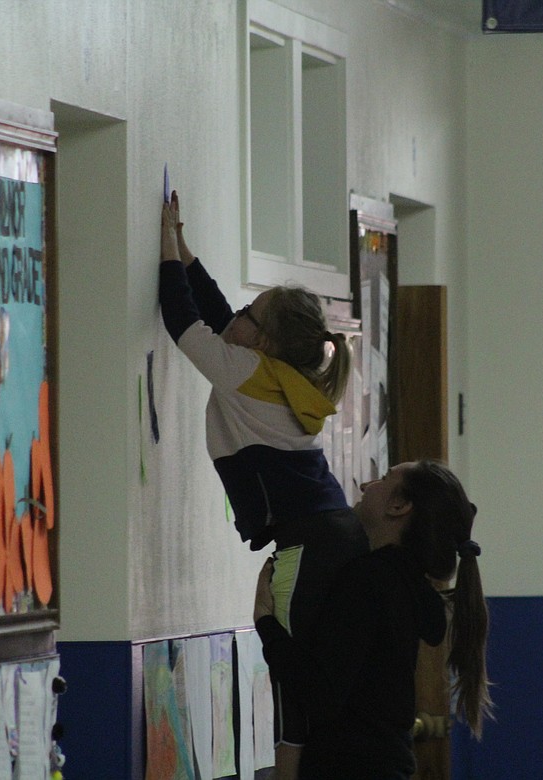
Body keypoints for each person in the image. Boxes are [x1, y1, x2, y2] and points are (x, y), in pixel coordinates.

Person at [158, 190, 369, 778]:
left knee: (287, 653)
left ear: (266, 341)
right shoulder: (275, 372)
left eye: (253, 316)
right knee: (310, 655)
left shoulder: (246, 370)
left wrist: (165, 254)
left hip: (306, 542)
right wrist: (184, 247)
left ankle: (291, 769)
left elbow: (186, 321)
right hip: (331, 530)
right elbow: (223, 315)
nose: (239, 320)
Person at [254, 459, 493, 780]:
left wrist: (266, 624)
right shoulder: (404, 585)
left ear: (398, 506)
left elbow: (319, 694)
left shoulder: (370, 580)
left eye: (383, 479)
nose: (367, 486)